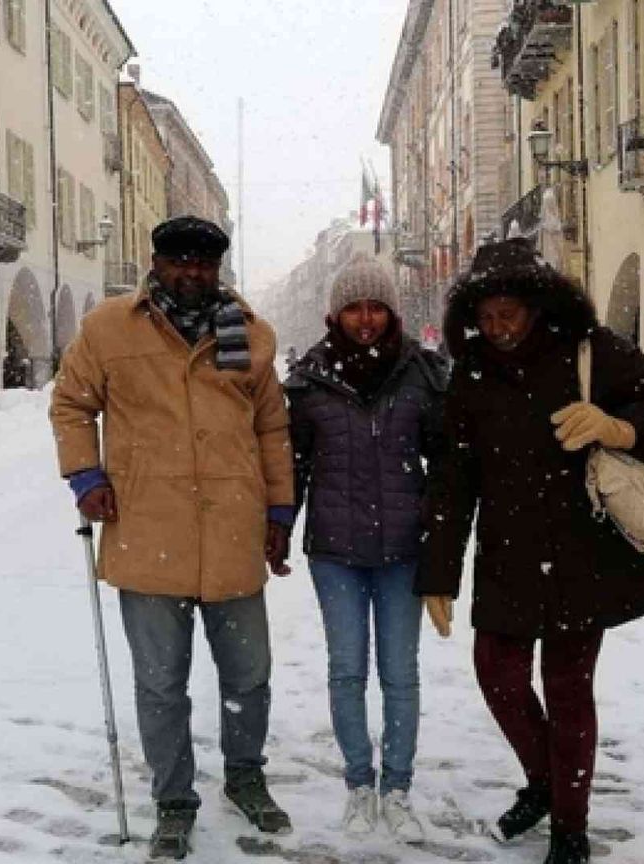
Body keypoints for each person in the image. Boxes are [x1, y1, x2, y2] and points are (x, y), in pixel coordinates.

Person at [415, 240, 644, 864]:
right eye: (485, 318)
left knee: (569, 690)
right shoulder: (473, 373)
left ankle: (571, 826)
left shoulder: (590, 352)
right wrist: (439, 570)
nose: (498, 328)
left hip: (581, 553)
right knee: (500, 679)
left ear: (539, 306)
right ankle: (545, 781)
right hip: (507, 555)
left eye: (509, 313)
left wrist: (617, 426)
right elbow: (453, 480)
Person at [48, 216, 297, 861]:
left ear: (219, 268)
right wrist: (85, 474)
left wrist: (278, 514)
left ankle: (245, 774)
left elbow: (271, 429)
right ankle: (173, 799)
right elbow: (72, 403)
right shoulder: (108, 327)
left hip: (234, 529)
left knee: (249, 677)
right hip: (147, 527)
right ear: (155, 262)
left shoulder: (252, 332)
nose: (192, 275)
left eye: (205, 265)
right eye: (180, 263)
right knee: (160, 684)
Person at [284, 256, 447, 841]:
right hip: (334, 551)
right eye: (354, 307)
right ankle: (359, 782)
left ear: (391, 312)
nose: (366, 319)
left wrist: (444, 538)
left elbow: (448, 462)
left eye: (376, 306)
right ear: (335, 313)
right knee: (347, 671)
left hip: (404, 549)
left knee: (401, 674)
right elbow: (293, 467)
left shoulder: (424, 375)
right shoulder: (307, 381)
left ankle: (397, 786)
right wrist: (278, 527)